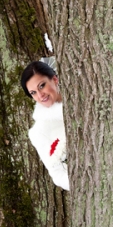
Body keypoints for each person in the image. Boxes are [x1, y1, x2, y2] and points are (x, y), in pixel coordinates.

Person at [20, 60, 69, 191]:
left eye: (42, 86)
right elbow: (58, 175)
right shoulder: (39, 132)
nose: (40, 95)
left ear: (54, 79)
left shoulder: (83, 101)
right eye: (33, 93)